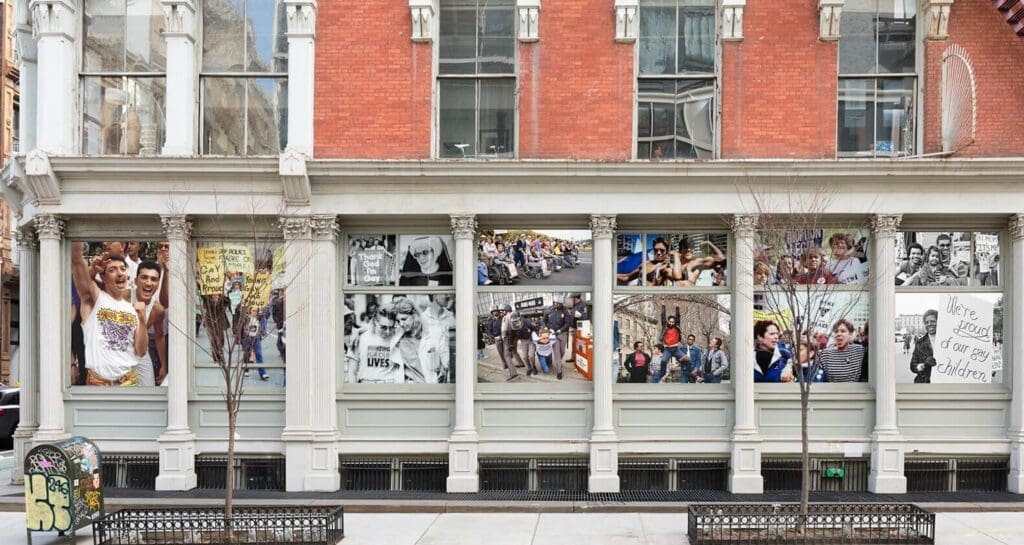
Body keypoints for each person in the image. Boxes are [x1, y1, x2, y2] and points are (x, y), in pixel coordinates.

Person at [71, 242, 149, 386]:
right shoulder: (94, 300)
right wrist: (92, 271)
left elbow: (141, 350)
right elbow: (76, 260)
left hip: (129, 382)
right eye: (112, 270)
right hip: (99, 383)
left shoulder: (133, 309)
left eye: (122, 269)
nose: (120, 273)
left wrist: (143, 321)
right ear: (104, 277)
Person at [132, 261, 168, 386]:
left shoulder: (158, 310)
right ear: (136, 281)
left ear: (158, 284)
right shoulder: (123, 297)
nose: (148, 283)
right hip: (118, 351)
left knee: (149, 388)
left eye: (153, 279)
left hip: (141, 351)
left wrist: (164, 365)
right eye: (144, 277)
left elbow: (159, 337)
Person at [351, 305, 402, 384]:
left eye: (391, 327)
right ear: (375, 321)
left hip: (390, 386)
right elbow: (352, 373)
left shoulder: (397, 337)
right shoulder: (360, 339)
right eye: (383, 327)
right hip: (366, 386)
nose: (388, 331)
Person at [543, 296, 572, 379]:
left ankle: (559, 361)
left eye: (558, 303)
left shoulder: (565, 310)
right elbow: (544, 321)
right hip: (553, 334)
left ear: (561, 304)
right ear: (553, 302)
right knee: (557, 353)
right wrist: (546, 328)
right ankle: (559, 371)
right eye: (555, 303)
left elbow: (568, 323)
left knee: (562, 351)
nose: (556, 304)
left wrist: (560, 330)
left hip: (562, 333)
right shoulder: (548, 310)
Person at [503, 312, 537, 377]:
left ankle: (533, 367)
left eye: (517, 320)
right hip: (523, 341)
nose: (516, 322)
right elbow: (511, 336)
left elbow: (536, 328)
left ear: (520, 318)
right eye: (514, 321)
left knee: (531, 356)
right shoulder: (512, 326)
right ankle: (529, 367)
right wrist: (510, 344)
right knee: (524, 357)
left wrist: (537, 335)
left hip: (530, 340)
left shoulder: (527, 321)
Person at [909, 309, 938, 383]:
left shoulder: (949, 340)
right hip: (924, 382)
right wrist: (923, 365)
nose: (929, 324)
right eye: (926, 322)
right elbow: (913, 366)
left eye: (933, 321)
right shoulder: (919, 343)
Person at [657, 307, 685, 383]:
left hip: (676, 349)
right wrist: (663, 306)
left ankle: (694, 376)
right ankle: (662, 378)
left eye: (673, 322)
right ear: (668, 321)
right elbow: (662, 317)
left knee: (686, 359)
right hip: (668, 350)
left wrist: (677, 308)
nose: (671, 323)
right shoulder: (665, 326)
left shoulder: (677, 326)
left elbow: (678, 317)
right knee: (663, 361)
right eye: (670, 322)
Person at [242, 305, 269, 381]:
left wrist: (266, 306)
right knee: (246, 353)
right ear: (250, 310)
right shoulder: (246, 318)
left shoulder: (260, 318)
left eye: (256, 311)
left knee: (258, 354)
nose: (255, 312)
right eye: (253, 310)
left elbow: (267, 314)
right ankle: (246, 369)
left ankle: (262, 373)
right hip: (247, 338)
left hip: (256, 338)